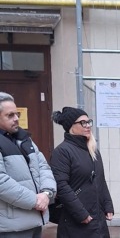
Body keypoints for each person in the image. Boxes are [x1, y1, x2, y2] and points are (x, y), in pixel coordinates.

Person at [50, 107, 114, 238]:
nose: (87, 126)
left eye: (88, 122)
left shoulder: (93, 150)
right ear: (71, 127)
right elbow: (61, 186)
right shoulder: (62, 152)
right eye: (82, 123)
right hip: (76, 221)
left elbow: (100, 180)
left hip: (98, 220)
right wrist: (81, 214)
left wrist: (107, 205)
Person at [0, 91, 56, 238]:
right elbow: (1, 182)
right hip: (10, 228)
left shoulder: (24, 139)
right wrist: (34, 201)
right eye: (10, 115)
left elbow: (44, 167)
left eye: (17, 113)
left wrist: (46, 193)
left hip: (35, 220)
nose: (16, 118)